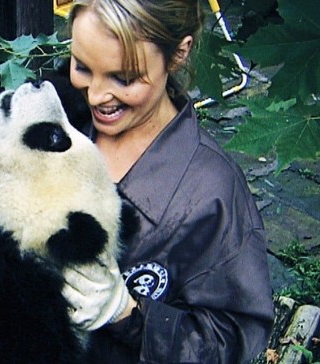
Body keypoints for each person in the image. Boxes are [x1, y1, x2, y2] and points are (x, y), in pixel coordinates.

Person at [59, 0, 275, 362]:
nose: (95, 95)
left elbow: (231, 341)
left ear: (178, 53)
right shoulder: (63, 113)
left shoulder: (211, 194)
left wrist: (128, 313)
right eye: (82, 66)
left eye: (123, 78)